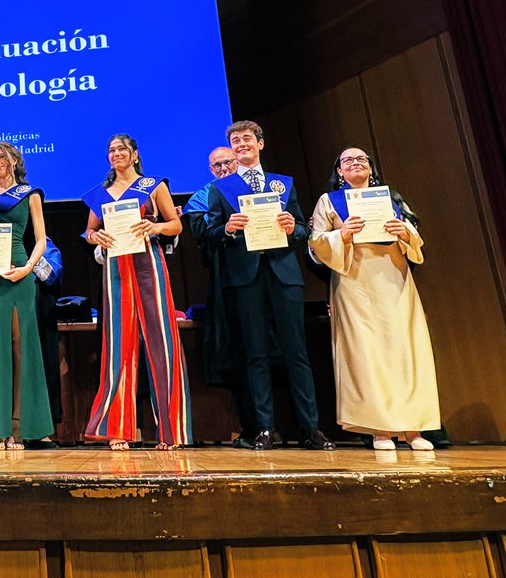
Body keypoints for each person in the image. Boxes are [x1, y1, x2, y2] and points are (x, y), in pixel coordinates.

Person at [204, 120, 334, 450]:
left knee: (297, 353)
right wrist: (229, 228)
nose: (241, 143)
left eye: (247, 138)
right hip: (245, 278)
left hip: (283, 274)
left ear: (260, 144)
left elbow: (305, 231)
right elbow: (211, 235)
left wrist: (294, 227)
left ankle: (310, 428)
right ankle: (264, 428)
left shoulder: (282, 183)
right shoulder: (220, 189)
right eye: (235, 140)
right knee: (255, 354)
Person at [308, 147, 438, 451]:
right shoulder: (329, 202)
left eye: (361, 159)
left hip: (394, 276)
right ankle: (380, 429)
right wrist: (341, 235)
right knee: (366, 353)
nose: (355, 163)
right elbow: (314, 243)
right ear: (339, 171)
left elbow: (414, 233)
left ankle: (413, 429)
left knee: (406, 349)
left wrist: (404, 232)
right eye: (347, 161)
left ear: (371, 167)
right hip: (355, 280)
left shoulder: (390, 198)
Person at [82, 134, 192, 450]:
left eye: (122, 149)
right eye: (111, 150)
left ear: (135, 154)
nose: (116, 154)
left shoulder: (154, 186)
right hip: (116, 268)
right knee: (119, 345)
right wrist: (94, 237)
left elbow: (175, 225)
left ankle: (171, 432)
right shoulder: (101, 193)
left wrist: (154, 227)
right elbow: (89, 230)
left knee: (162, 342)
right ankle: (118, 429)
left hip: (149, 264)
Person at [0, 141, 54, 449]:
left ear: (15, 160)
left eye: (2, 157)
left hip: (18, 272)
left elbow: (41, 239)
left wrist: (28, 267)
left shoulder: (30, 195)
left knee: (21, 349)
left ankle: (20, 426)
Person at [182, 147, 258, 446]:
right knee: (237, 352)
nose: (224, 168)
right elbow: (200, 230)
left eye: (228, 162)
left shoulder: (258, 188)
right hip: (225, 277)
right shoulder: (203, 195)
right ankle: (247, 425)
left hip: (261, 275)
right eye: (217, 165)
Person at [30, 236, 64, 446]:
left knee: (42, 367)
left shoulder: (45, 243)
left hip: (41, 315)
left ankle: (43, 428)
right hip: (14, 311)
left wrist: (27, 259)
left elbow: (52, 274)